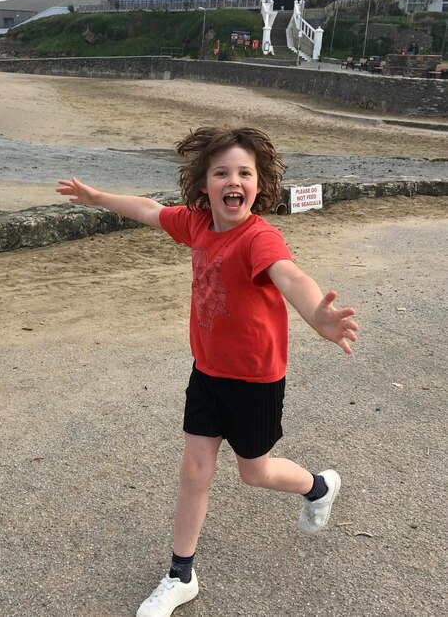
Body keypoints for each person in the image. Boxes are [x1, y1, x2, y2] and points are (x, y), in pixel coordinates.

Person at [56, 126, 358, 617]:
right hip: (208, 370)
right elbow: (148, 210)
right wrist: (95, 197)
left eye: (244, 172)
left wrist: (316, 315)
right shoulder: (196, 224)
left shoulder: (259, 236)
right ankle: (181, 574)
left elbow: (291, 275)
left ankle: (318, 486)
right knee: (195, 467)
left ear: (259, 186)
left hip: (256, 379)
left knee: (253, 472)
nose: (233, 180)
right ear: (204, 185)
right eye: (221, 172)